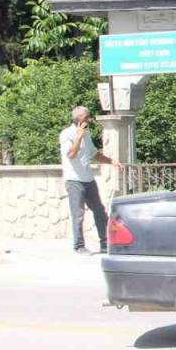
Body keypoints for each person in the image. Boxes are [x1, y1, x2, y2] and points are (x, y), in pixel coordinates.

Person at [59, 106, 123, 254]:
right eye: (86, 117)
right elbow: (71, 154)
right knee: (78, 214)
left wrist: (112, 161)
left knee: (99, 210)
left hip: (88, 178)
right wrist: (78, 136)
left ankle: (105, 243)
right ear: (78, 119)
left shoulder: (87, 135)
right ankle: (79, 245)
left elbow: (94, 154)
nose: (88, 120)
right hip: (74, 180)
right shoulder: (66, 134)